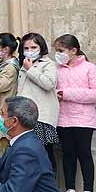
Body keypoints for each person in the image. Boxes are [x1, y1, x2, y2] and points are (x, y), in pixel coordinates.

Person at [54, 33, 96, 192]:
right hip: (63, 118)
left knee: (84, 154)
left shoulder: (90, 68)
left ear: (73, 50)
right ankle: (70, 189)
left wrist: (67, 94)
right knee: (67, 154)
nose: (58, 54)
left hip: (84, 119)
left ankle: (89, 191)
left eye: (61, 50)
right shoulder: (57, 69)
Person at [17, 32, 59, 170]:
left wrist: (31, 69)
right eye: (26, 48)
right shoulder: (23, 65)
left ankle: (50, 187)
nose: (30, 51)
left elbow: (48, 84)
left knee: (44, 154)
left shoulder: (48, 64)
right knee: (28, 155)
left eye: (34, 47)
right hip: (25, 116)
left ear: (41, 48)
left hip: (41, 117)